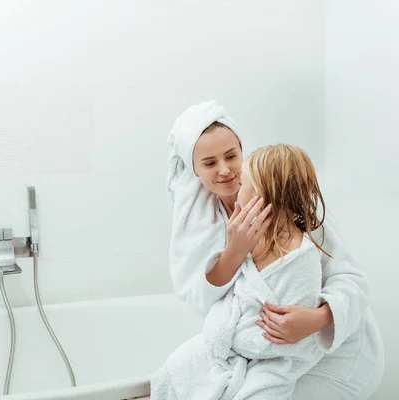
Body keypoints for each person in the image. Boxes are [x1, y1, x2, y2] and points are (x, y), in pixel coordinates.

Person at [154, 101, 384, 399]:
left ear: (242, 150)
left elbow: (351, 277)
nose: (225, 170)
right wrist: (235, 250)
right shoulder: (201, 222)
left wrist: (318, 318)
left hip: (334, 350)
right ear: (195, 169)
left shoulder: (284, 194)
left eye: (231, 156)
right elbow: (202, 300)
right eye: (209, 163)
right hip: (269, 357)